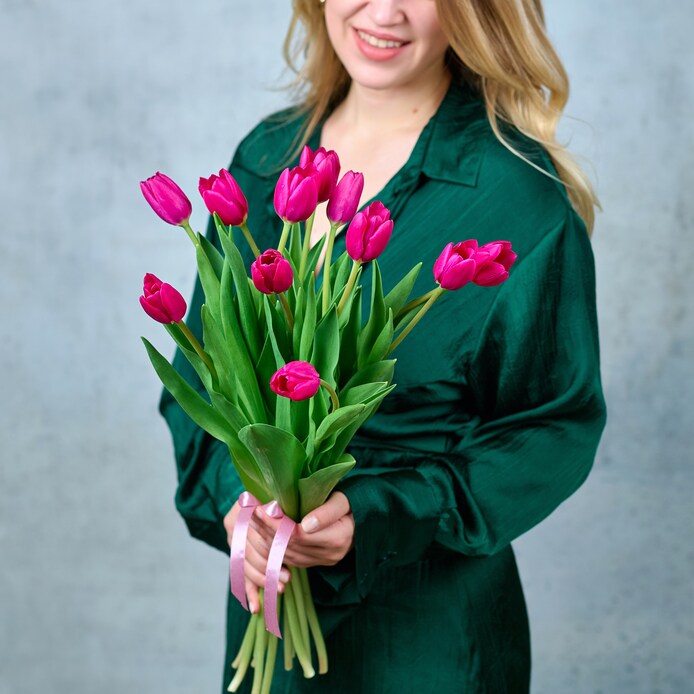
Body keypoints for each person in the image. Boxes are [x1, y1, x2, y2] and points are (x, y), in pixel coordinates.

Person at [160, 1, 607, 691]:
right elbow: (200, 380)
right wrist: (245, 507)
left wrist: (380, 514)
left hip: (431, 640)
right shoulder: (265, 160)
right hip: (271, 620)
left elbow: (552, 427)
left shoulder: (517, 199)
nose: (385, 10)